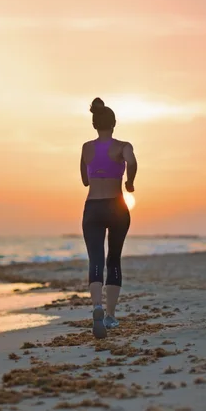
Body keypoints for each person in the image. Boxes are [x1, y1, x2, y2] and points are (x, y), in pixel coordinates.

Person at [80, 97, 138, 339]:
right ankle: (111, 316)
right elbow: (133, 162)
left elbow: (84, 180)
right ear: (114, 124)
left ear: (94, 125)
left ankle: (96, 307)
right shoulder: (123, 146)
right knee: (113, 259)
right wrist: (130, 182)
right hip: (117, 206)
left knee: (95, 258)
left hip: (93, 207)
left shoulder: (86, 148)